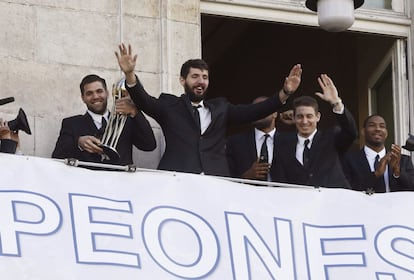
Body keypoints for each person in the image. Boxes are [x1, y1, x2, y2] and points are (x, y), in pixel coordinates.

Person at [115, 43, 302, 176]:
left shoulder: (221, 108)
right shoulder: (169, 105)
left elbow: (254, 111)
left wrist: (284, 93)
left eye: (204, 77)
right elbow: (144, 101)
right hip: (177, 180)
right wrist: (130, 75)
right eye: (195, 76)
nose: (201, 81)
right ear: (183, 80)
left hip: (215, 181)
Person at [273, 74, 358, 188]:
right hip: (299, 203)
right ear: (293, 118)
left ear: (317, 117)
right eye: (300, 116)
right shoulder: (283, 144)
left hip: (332, 202)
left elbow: (351, 132)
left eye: (309, 116)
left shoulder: (332, 137)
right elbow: (279, 181)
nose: (304, 121)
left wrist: (336, 102)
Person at [52, 74, 156, 166]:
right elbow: (57, 157)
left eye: (99, 91)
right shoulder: (71, 123)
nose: (95, 96)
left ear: (107, 93)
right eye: (89, 93)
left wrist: (135, 112)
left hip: (120, 184)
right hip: (86, 184)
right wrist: (78, 143)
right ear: (83, 98)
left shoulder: (126, 121)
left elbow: (149, 145)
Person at [342, 114, 414, 193]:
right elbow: (346, 190)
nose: (377, 129)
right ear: (363, 131)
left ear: (386, 133)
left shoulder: (404, 160)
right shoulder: (349, 160)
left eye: (382, 126)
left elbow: (411, 188)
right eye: (372, 125)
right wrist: (376, 174)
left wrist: (397, 171)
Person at [226, 96, 279, 180]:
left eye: (264, 108)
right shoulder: (235, 142)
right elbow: (226, 177)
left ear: (275, 113)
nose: (259, 113)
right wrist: (245, 177)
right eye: (255, 110)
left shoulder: (289, 141)